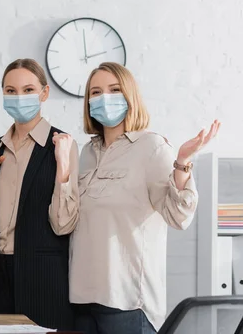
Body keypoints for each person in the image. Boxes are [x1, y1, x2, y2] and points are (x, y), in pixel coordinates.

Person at [70, 62, 220, 334]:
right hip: (81, 299)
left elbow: (178, 216)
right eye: (95, 92)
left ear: (130, 96)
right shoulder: (86, 153)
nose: (104, 97)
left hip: (126, 303)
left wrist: (183, 162)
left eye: (114, 89)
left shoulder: (152, 147)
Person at [0, 58, 79, 329]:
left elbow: (63, 224)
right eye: (11, 91)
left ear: (44, 93)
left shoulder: (62, 145)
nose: (19, 97)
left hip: (42, 277)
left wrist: (63, 165)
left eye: (28, 89)